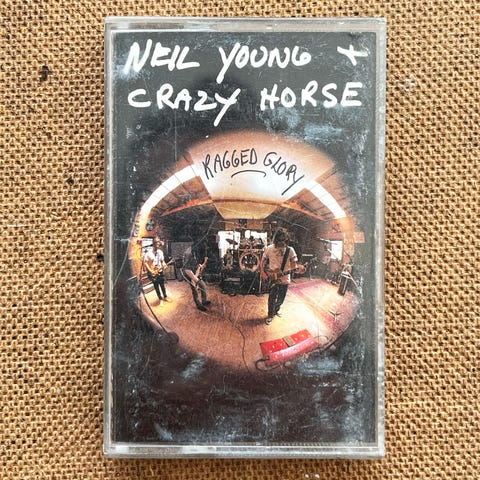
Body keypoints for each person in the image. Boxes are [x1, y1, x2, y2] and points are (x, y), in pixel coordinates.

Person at [260, 229, 304, 325]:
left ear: (286, 240)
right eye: (279, 240)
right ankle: (270, 315)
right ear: (276, 239)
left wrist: (298, 269)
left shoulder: (290, 250)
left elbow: (293, 266)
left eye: (284, 240)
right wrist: (262, 272)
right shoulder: (269, 248)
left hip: (285, 279)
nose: (281, 242)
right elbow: (262, 261)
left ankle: (276, 310)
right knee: (272, 298)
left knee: (281, 299)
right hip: (272, 277)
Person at [182, 245, 211, 312]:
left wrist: (204, 262)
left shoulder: (195, 254)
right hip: (190, 274)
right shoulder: (188, 255)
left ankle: (204, 301)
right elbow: (187, 270)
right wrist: (195, 280)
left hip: (194, 272)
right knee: (195, 289)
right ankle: (199, 305)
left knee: (203, 286)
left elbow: (199, 267)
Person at [143, 238, 170, 303]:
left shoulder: (160, 252)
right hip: (153, 272)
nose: (158, 244)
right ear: (153, 243)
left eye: (159, 243)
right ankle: (160, 299)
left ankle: (165, 297)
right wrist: (150, 271)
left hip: (160, 271)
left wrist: (164, 265)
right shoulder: (148, 253)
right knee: (156, 286)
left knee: (162, 285)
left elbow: (162, 261)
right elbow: (145, 263)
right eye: (157, 243)